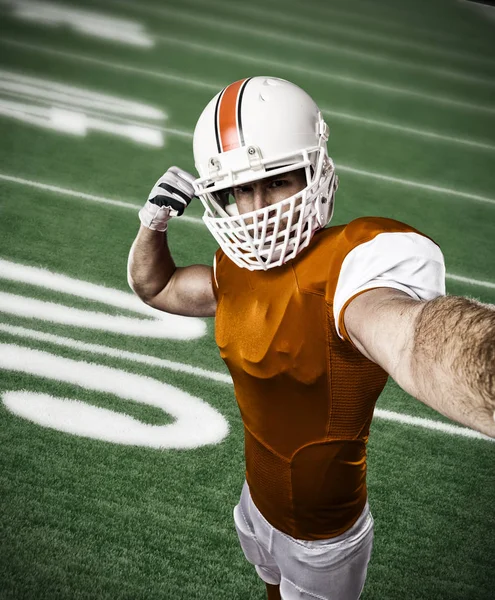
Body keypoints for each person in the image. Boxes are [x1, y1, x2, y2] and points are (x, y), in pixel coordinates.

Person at [128, 77, 495, 600]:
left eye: (277, 180)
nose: (256, 210)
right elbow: (157, 285)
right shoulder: (232, 266)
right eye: (238, 191)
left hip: (323, 533)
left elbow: (414, 338)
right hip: (257, 498)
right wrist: (153, 224)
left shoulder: (352, 263)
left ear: (315, 168)